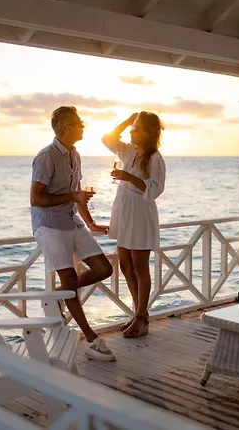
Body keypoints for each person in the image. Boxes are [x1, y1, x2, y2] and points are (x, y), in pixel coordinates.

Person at [31, 106, 115, 361]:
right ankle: (91, 339)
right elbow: (36, 199)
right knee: (70, 280)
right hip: (49, 224)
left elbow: (76, 194)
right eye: (79, 123)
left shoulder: (74, 154)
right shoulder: (46, 156)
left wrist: (90, 222)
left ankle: (58, 294)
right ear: (67, 127)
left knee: (104, 268)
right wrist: (72, 196)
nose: (83, 126)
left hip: (71, 220)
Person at [102, 112, 166, 338]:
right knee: (125, 265)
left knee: (139, 266)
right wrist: (128, 121)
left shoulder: (155, 158)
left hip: (139, 211)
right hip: (123, 209)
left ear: (149, 133)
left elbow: (155, 189)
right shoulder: (128, 150)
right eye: (132, 128)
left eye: (137, 129)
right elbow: (107, 139)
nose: (132, 132)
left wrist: (127, 177)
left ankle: (140, 317)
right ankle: (139, 313)